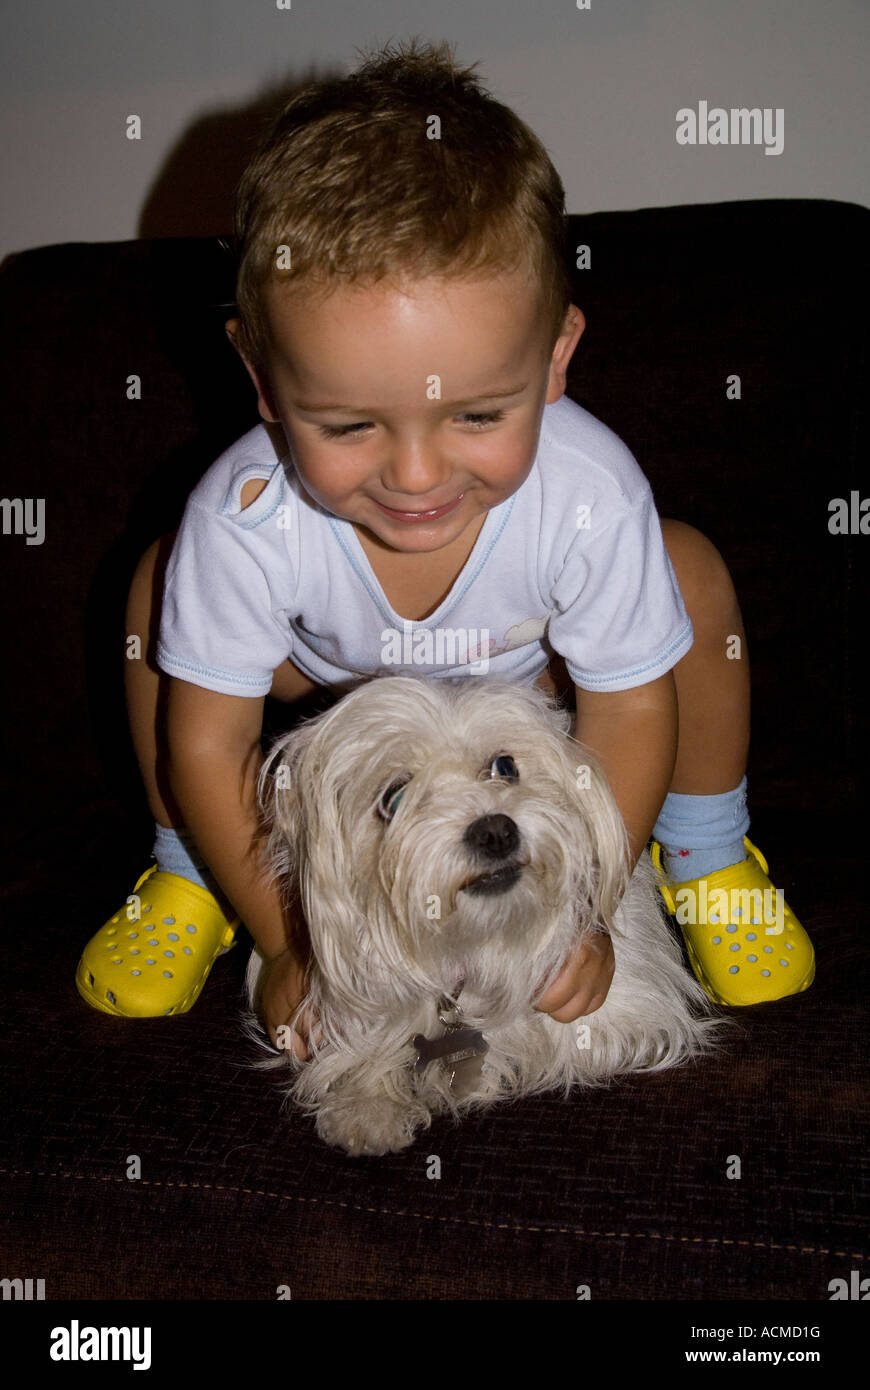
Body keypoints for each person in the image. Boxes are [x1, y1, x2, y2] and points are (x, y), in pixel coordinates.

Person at [76, 39, 814, 1052]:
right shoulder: (243, 514)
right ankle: (189, 870)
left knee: (691, 575)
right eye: (347, 426)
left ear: (555, 358)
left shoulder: (591, 493)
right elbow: (209, 743)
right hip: (325, 668)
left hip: (533, 665)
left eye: (475, 416)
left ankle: (709, 856)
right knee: (162, 588)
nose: (416, 478)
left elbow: (632, 708)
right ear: (262, 381)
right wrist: (290, 938)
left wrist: (590, 910)